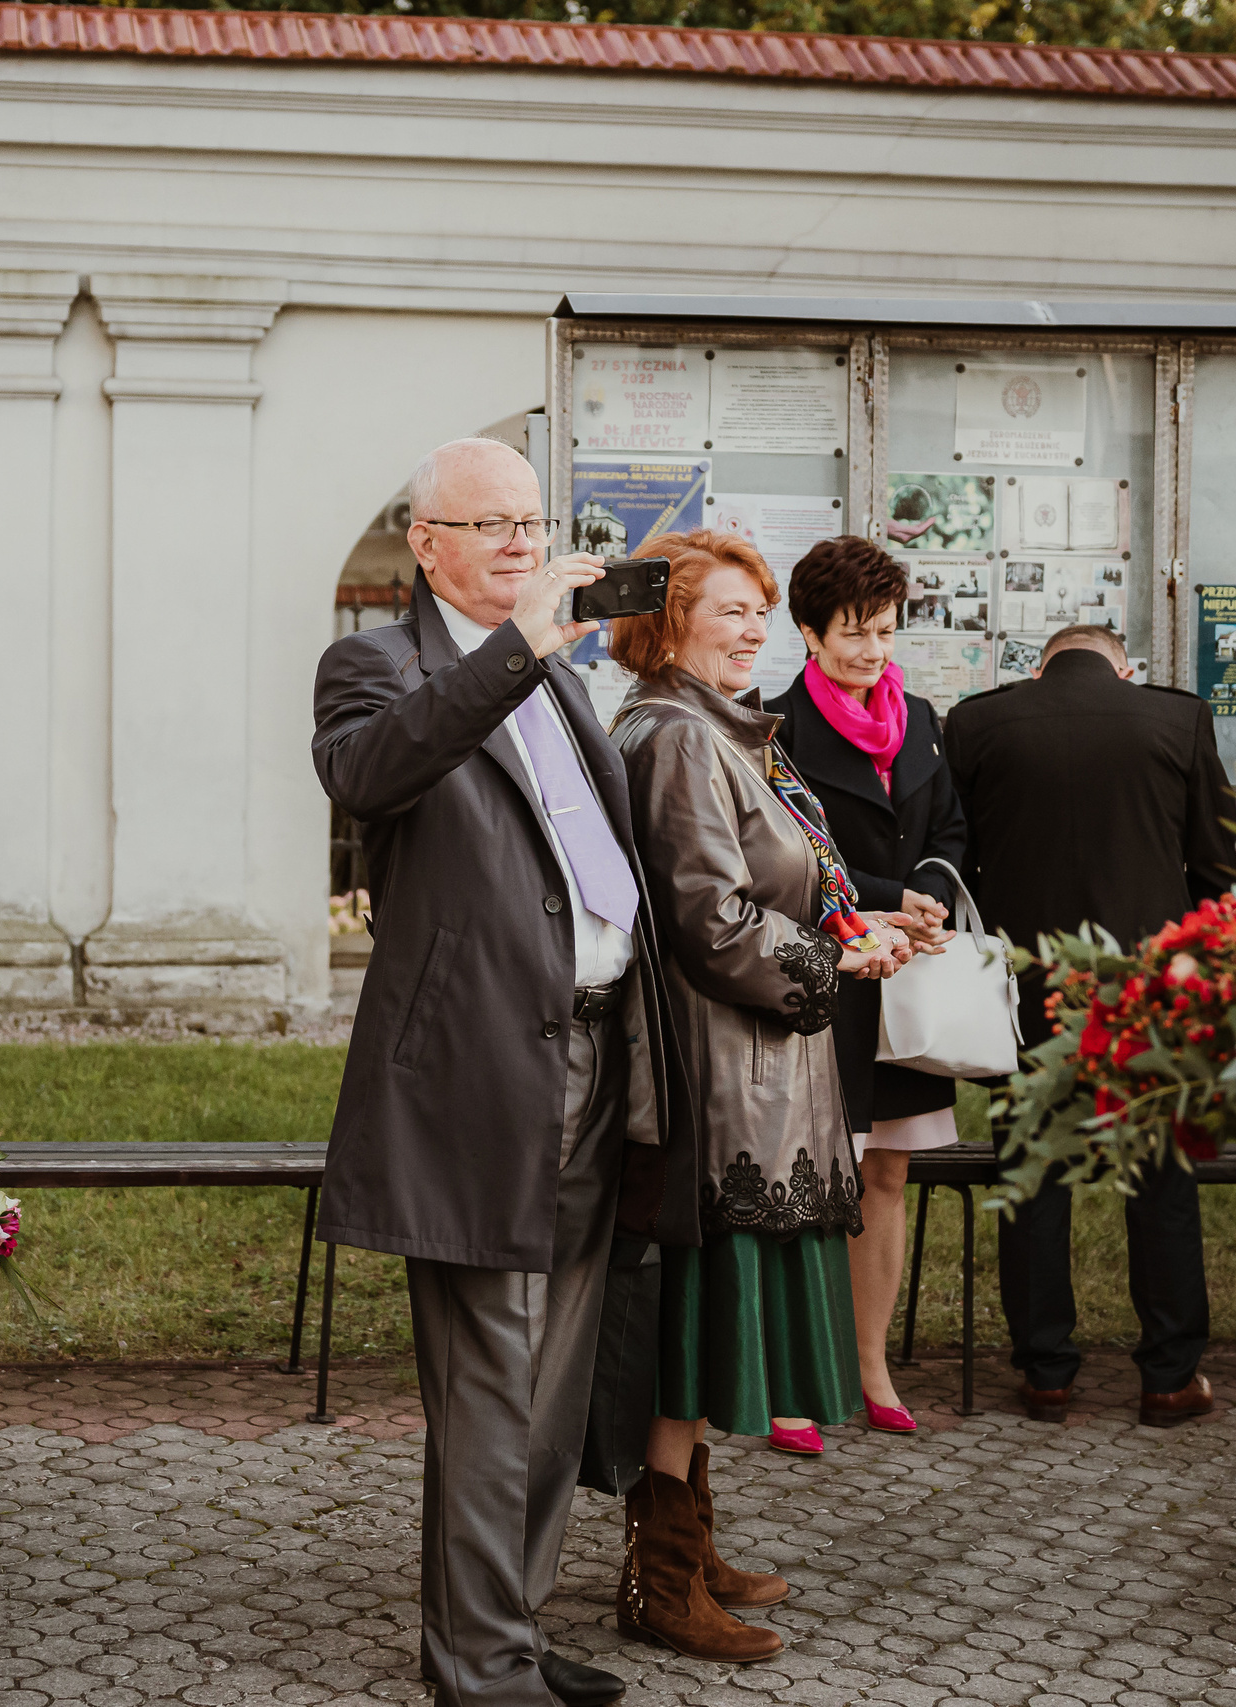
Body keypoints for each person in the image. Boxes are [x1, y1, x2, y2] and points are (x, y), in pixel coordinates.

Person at [312, 438, 682, 1707]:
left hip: (595, 1049)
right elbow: (369, 774)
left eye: (534, 522)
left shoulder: (563, 673)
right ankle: (474, 1665)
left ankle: (509, 1629)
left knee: (553, 1379)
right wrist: (519, 647)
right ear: (428, 545)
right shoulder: (380, 663)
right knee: (486, 1384)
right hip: (474, 1070)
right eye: (494, 525)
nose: (526, 544)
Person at [605, 528, 916, 1664]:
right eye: (728, 610)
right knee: (690, 1339)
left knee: (698, 1335)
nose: (752, 629)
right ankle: (662, 1578)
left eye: (758, 610)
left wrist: (853, 929)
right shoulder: (678, 735)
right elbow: (710, 921)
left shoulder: (710, 726)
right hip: (717, 1087)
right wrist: (841, 964)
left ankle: (686, 1543)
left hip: (753, 1076)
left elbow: (760, 890)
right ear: (669, 619)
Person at [946, 621, 1236, 1426]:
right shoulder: (1176, 719)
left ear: (1039, 667)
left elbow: (957, 854)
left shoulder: (977, 722)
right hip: (1148, 987)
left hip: (1025, 984)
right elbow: (1220, 864)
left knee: (1032, 1173)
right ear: (1124, 666)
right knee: (1158, 1180)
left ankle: (1046, 1370)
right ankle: (1168, 1376)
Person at [760, 536, 964, 1442]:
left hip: (908, 981)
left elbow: (953, 826)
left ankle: (871, 1363)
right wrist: (891, 902)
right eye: (853, 633)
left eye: (884, 630)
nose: (872, 649)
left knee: (887, 1174)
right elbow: (793, 857)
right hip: (827, 979)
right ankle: (793, 1379)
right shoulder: (776, 727)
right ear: (808, 631)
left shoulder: (919, 716)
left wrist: (935, 893)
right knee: (809, 1180)